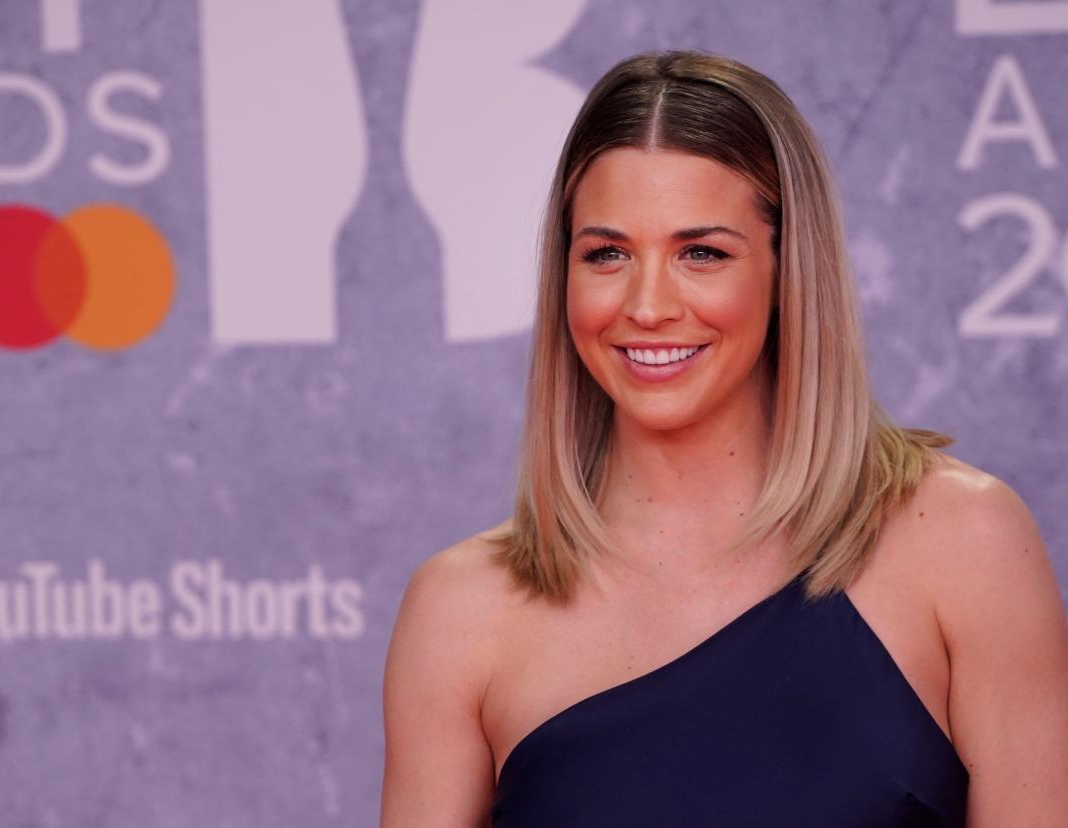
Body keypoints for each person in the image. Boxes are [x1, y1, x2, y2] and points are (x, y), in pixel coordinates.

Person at [379, 50, 1068, 826]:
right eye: (607, 254)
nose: (646, 304)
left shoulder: (963, 543)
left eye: (700, 253)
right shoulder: (461, 611)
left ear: (788, 269)